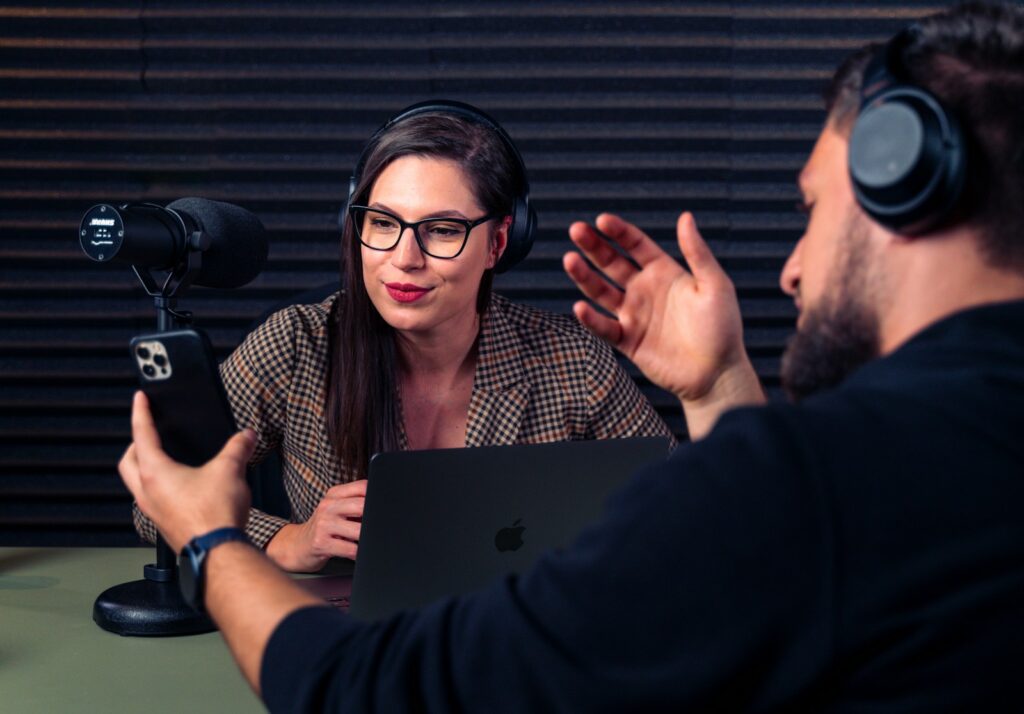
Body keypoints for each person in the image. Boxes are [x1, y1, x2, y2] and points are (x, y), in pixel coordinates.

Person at [120, 2, 1024, 710]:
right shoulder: (298, 343)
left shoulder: (618, 387)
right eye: (381, 225)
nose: (791, 269)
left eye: (810, 211)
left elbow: (366, 691)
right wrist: (717, 389)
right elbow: (742, 556)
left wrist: (216, 539)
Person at [131, 101, 673, 572]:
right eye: (383, 223)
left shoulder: (571, 363)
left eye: (442, 230)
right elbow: (160, 494)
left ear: (498, 242)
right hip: (344, 646)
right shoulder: (297, 344)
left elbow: (685, 509)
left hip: (514, 640)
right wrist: (286, 540)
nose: (404, 260)